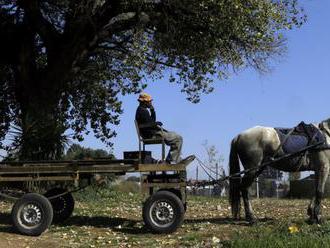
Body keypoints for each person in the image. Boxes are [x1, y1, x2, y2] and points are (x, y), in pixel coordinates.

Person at [135, 92, 184, 164]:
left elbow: (151, 122)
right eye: (149, 102)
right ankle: (171, 159)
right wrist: (156, 123)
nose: (151, 103)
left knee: (174, 135)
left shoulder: (142, 110)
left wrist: (152, 111)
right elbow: (150, 124)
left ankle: (173, 158)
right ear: (144, 102)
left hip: (151, 133)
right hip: (152, 134)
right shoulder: (142, 111)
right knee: (178, 138)